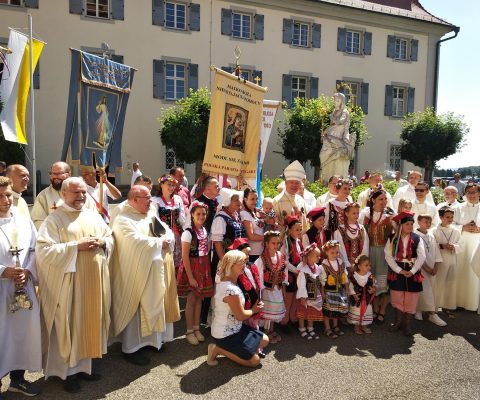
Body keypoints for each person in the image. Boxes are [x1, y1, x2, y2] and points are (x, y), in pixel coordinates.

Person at [36, 177, 113, 393]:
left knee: (88, 322)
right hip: (69, 285)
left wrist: (103, 242)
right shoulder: (54, 220)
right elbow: (44, 251)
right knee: (69, 325)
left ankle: (83, 369)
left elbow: (110, 236)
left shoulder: (92, 215)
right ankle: (66, 373)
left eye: (83, 192)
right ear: (63, 194)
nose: (81, 196)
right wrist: (75, 247)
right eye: (76, 193)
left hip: (92, 282)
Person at [110, 185, 179, 365]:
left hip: (154, 271)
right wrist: (159, 243)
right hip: (135, 273)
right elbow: (133, 242)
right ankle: (132, 348)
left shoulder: (149, 213)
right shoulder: (123, 219)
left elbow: (166, 229)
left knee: (156, 302)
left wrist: (168, 239)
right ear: (133, 199)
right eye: (146, 198)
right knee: (136, 308)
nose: (150, 201)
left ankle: (153, 341)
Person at [0, 177, 41, 397]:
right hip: (0, 290)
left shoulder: (23, 221)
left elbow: (35, 250)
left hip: (22, 287)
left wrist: (27, 271)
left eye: (8, 195)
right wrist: (2, 271)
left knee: (21, 334)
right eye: (0, 196)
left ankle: (18, 379)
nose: (6, 200)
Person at [207, 250, 269, 367]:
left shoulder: (226, 279)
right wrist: (254, 310)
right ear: (231, 264)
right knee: (255, 362)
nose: (245, 266)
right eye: (241, 263)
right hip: (225, 335)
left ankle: (238, 349)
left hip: (236, 329)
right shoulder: (230, 289)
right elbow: (240, 316)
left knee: (265, 340)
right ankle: (217, 349)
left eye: (245, 262)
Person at [202, 188, 245, 324]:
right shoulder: (220, 218)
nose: (239, 202)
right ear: (227, 202)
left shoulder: (234, 215)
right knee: (220, 289)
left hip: (235, 261)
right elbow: (217, 242)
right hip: (224, 260)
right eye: (235, 200)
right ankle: (215, 321)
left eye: (239, 199)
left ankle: (231, 317)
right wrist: (224, 262)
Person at [177, 201, 214, 346]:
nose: (201, 216)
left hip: (203, 266)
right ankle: (189, 330)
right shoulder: (188, 233)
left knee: (200, 299)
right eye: (198, 214)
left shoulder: (204, 230)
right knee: (192, 300)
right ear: (192, 214)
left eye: (204, 214)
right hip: (192, 268)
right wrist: (191, 277)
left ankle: (197, 327)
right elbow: (185, 257)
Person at [384, 211, 426, 336]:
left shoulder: (417, 238)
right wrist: (398, 270)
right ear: (401, 225)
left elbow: (422, 256)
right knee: (397, 296)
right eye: (407, 224)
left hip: (412, 269)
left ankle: (407, 324)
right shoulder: (393, 238)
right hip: (398, 269)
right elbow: (388, 255)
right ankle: (397, 322)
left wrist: (412, 271)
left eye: (411, 224)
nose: (410, 226)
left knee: (411, 298)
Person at [359, 187, 395, 324]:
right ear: (373, 200)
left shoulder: (390, 214)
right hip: (369, 251)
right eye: (381, 199)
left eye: (385, 199)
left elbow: (396, 234)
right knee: (371, 282)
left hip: (384, 253)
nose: (384, 201)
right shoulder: (366, 214)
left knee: (383, 283)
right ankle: (374, 308)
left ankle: (383, 310)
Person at [31, 161, 95, 230]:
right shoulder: (43, 196)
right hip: (55, 237)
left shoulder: (83, 194)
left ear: (69, 174)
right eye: (52, 174)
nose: (55, 177)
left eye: (58, 174)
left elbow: (94, 218)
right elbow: (38, 221)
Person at [254, 231, 286, 344]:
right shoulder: (261, 259)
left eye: (278, 243)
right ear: (266, 244)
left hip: (277, 288)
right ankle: (267, 331)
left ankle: (271, 329)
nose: (276, 246)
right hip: (266, 291)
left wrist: (284, 281)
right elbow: (258, 275)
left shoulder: (280, 256)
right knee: (268, 311)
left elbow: (284, 268)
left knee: (274, 309)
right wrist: (261, 290)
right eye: (273, 243)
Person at [414, 214, 446, 326]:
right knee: (422, 290)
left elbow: (437, 252)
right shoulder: (415, 236)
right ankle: (428, 313)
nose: (427, 224)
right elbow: (416, 255)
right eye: (425, 222)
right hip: (422, 268)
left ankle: (426, 311)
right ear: (418, 221)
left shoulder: (431, 236)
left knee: (431, 290)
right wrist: (426, 268)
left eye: (429, 222)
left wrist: (435, 267)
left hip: (432, 269)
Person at [453, 182, 480, 311]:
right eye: (469, 192)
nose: (472, 195)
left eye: (475, 192)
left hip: (478, 245)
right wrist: (462, 227)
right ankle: (459, 301)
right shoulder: (458, 208)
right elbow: (449, 224)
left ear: (479, 193)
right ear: (465, 194)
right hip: (462, 245)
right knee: (461, 271)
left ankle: (474, 303)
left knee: (475, 272)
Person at [152, 175, 186, 270]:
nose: (171, 187)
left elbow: (182, 218)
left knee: (178, 263)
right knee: (165, 261)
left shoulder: (178, 199)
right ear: (161, 185)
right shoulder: (155, 201)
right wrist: (162, 237)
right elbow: (155, 220)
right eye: (168, 184)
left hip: (178, 235)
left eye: (173, 185)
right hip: (164, 236)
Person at [433, 206, 461, 318]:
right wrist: (442, 245)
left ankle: (447, 306)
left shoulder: (456, 230)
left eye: (451, 217)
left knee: (450, 284)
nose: (450, 219)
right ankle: (434, 308)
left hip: (452, 259)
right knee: (438, 284)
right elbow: (432, 245)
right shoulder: (434, 230)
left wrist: (454, 246)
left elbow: (460, 244)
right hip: (440, 260)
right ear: (440, 217)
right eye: (447, 217)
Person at [319, 92, 354, 182]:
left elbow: (340, 122)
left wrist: (332, 117)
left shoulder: (345, 112)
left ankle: (335, 179)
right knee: (322, 154)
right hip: (331, 134)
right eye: (335, 100)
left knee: (335, 156)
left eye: (338, 100)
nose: (336, 102)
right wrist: (325, 132)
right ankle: (326, 178)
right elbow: (331, 125)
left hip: (339, 136)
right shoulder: (334, 111)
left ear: (342, 101)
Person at [320, 240, 349, 338]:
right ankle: (327, 328)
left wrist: (347, 288)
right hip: (329, 291)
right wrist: (322, 293)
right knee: (328, 311)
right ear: (326, 252)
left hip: (339, 290)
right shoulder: (324, 264)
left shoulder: (340, 262)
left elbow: (345, 277)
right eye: (332, 252)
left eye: (336, 252)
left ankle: (335, 326)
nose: (335, 254)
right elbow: (322, 281)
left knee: (336, 309)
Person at [272, 160, 308, 237]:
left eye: (297, 183)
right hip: (284, 240)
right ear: (286, 183)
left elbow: (306, 222)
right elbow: (275, 224)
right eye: (291, 182)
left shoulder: (301, 200)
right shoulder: (277, 200)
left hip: (301, 240)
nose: (294, 185)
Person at [296, 244, 323, 340]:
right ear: (309, 257)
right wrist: (303, 297)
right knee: (303, 313)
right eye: (317, 256)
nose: (319, 258)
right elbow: (301, 284)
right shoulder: (303, 269)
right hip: (306, 296)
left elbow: (319, 281)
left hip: (314, 294)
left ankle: (310, 328)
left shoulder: (317, 268)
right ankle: (302, 328)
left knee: (311, 313)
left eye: (319, 256)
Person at [280, 215, 303, 328]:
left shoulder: (297, 241)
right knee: (288, 298)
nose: (299, 232)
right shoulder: (286, 243)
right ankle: (285, 320)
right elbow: (284, 261)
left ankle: (292, 318)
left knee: (295, 296)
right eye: (297, 230)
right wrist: (296, 270)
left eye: (300, 229)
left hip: (296, 273)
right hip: (289, 274)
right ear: (289, 230)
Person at [334, 202, 369, 270]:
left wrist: (362, 263)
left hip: (360, 266)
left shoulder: (361, 229)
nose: (356, 215)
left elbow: (365, 247)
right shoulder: (340, 230)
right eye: (354, 213)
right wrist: (347, 264)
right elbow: (340, 250)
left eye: (357, 213)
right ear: (347, 214)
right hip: (345, 266)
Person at [347, 255, 376, 334]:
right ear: (359, 266)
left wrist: (373, 289)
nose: (369, 267)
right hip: (357, 299)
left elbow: (375, 285)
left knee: (366, 311)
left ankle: (364, 325)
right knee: (357, 311)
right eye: (366, 265)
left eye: (369, 265)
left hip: (367, 299)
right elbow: (351, 287)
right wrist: (354, 295)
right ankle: (356, 326)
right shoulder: (355, 276)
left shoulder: (370, 276)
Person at [241, 188, 265, 262]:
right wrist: (268, 238)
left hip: (261, 252)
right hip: (252, 254)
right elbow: (251, 236)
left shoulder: (256, 211)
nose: (255, 201)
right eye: (252, 199)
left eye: (256, 199)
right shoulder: (245, 214)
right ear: (245, 199)